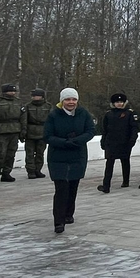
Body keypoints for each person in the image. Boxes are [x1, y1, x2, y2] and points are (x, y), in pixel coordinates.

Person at [44, 88, 95, 233]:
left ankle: (68, 214)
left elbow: (90, 131)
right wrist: (64, 142)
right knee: (61, 189)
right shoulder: (53, 115)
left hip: (77, 155)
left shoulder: (83, 114)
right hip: (58, 157)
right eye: (67, 99)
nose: (71, 102)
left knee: (73, 186)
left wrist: (77, 140)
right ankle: (58, 222)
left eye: (73, 99)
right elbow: (47, 136)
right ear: (62, 101)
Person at [97, 92, 139, 193]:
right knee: (109, 164)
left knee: (125, 161)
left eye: (121, 102)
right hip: (111, 143)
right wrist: (103, 141)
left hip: (125, 142)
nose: (119, 104)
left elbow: (133, 128)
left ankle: (126, 181)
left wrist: (132, 140)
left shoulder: (129, 113)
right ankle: (106, 185)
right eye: (117, 102)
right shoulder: (108, 114)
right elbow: (105, 129)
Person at [0, 82, 26, 182]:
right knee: (0, 154)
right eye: (10, 91)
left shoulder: (18, 102)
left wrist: (23, 130)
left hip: (15, 130)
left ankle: (6, 173)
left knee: (11, 154)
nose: (12, 93)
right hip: (1, 131)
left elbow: (23, 117)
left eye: (14, 91)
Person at [23, 88, 51, 179]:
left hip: (43, 132)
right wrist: (24, 132)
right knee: (29, 153)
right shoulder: (28, 106)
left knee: (40, 153)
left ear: (42, 96)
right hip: (30, 132)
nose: (34, 97)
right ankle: (30, 171)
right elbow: (24, 120)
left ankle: (38, 170)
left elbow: (51, 120)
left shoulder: (48, 106)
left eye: (37, 95)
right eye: (33, 96)